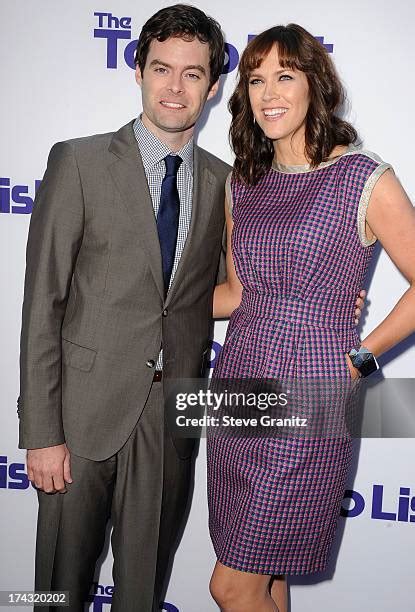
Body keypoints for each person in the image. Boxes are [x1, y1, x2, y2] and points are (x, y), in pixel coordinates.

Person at [17, 5, 230, 611]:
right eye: (162, 68)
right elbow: (43, 304)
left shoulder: (224, 183)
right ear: (137, 70)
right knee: (58, 591)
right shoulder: (78, 162)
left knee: (144, 591)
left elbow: (215, 295)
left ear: (212, 86)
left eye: (193, 74)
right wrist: (41, 433)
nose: (175, 86)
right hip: (79, 421)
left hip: (170, 423)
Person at [207, 23, 415, 612]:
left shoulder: (362, 177)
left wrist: (360, 359)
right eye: (255, 79)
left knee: (231, 586)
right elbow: (235, 294)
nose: (269, 93)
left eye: (285, 76)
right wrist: (148, 299)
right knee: (268, 581)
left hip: (313, 387)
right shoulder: (242, 183)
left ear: (313, 86)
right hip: (238, 383)